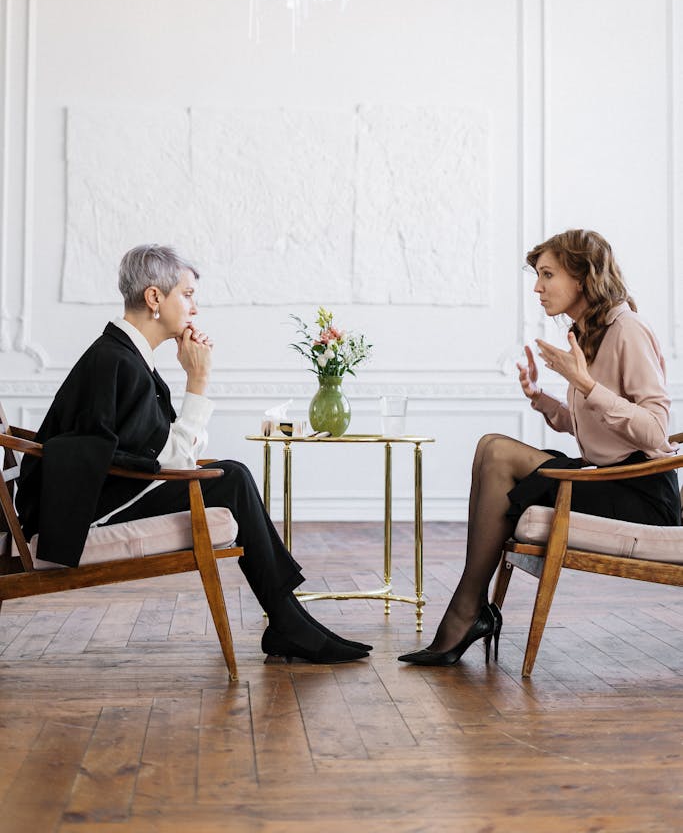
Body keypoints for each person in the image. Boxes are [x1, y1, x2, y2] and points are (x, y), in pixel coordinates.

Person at [17, 245, 371, 665]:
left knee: (230, 474)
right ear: (154, 298)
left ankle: (288, 619)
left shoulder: (123, 355)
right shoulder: (119, 361)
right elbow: (173, 462)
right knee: (232, 477)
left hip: (96, 492)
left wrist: (191, 382)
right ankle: (288, 621)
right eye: (187, 294)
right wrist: (198, 380)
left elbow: (165, 450)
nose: (195, 308)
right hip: (82, 512)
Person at [399, 228, 680, 667]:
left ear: (583, 277)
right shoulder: (588, 332)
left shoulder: (629, 329)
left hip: (641, 493)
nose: (537, 286)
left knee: (497, 452)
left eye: (547, 274)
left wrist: (584, 382)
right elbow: (596, 428)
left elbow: (656, 431)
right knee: (491, 445)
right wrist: (542, 399)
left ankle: (467, 610)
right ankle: (468, 608)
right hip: (605, 477)